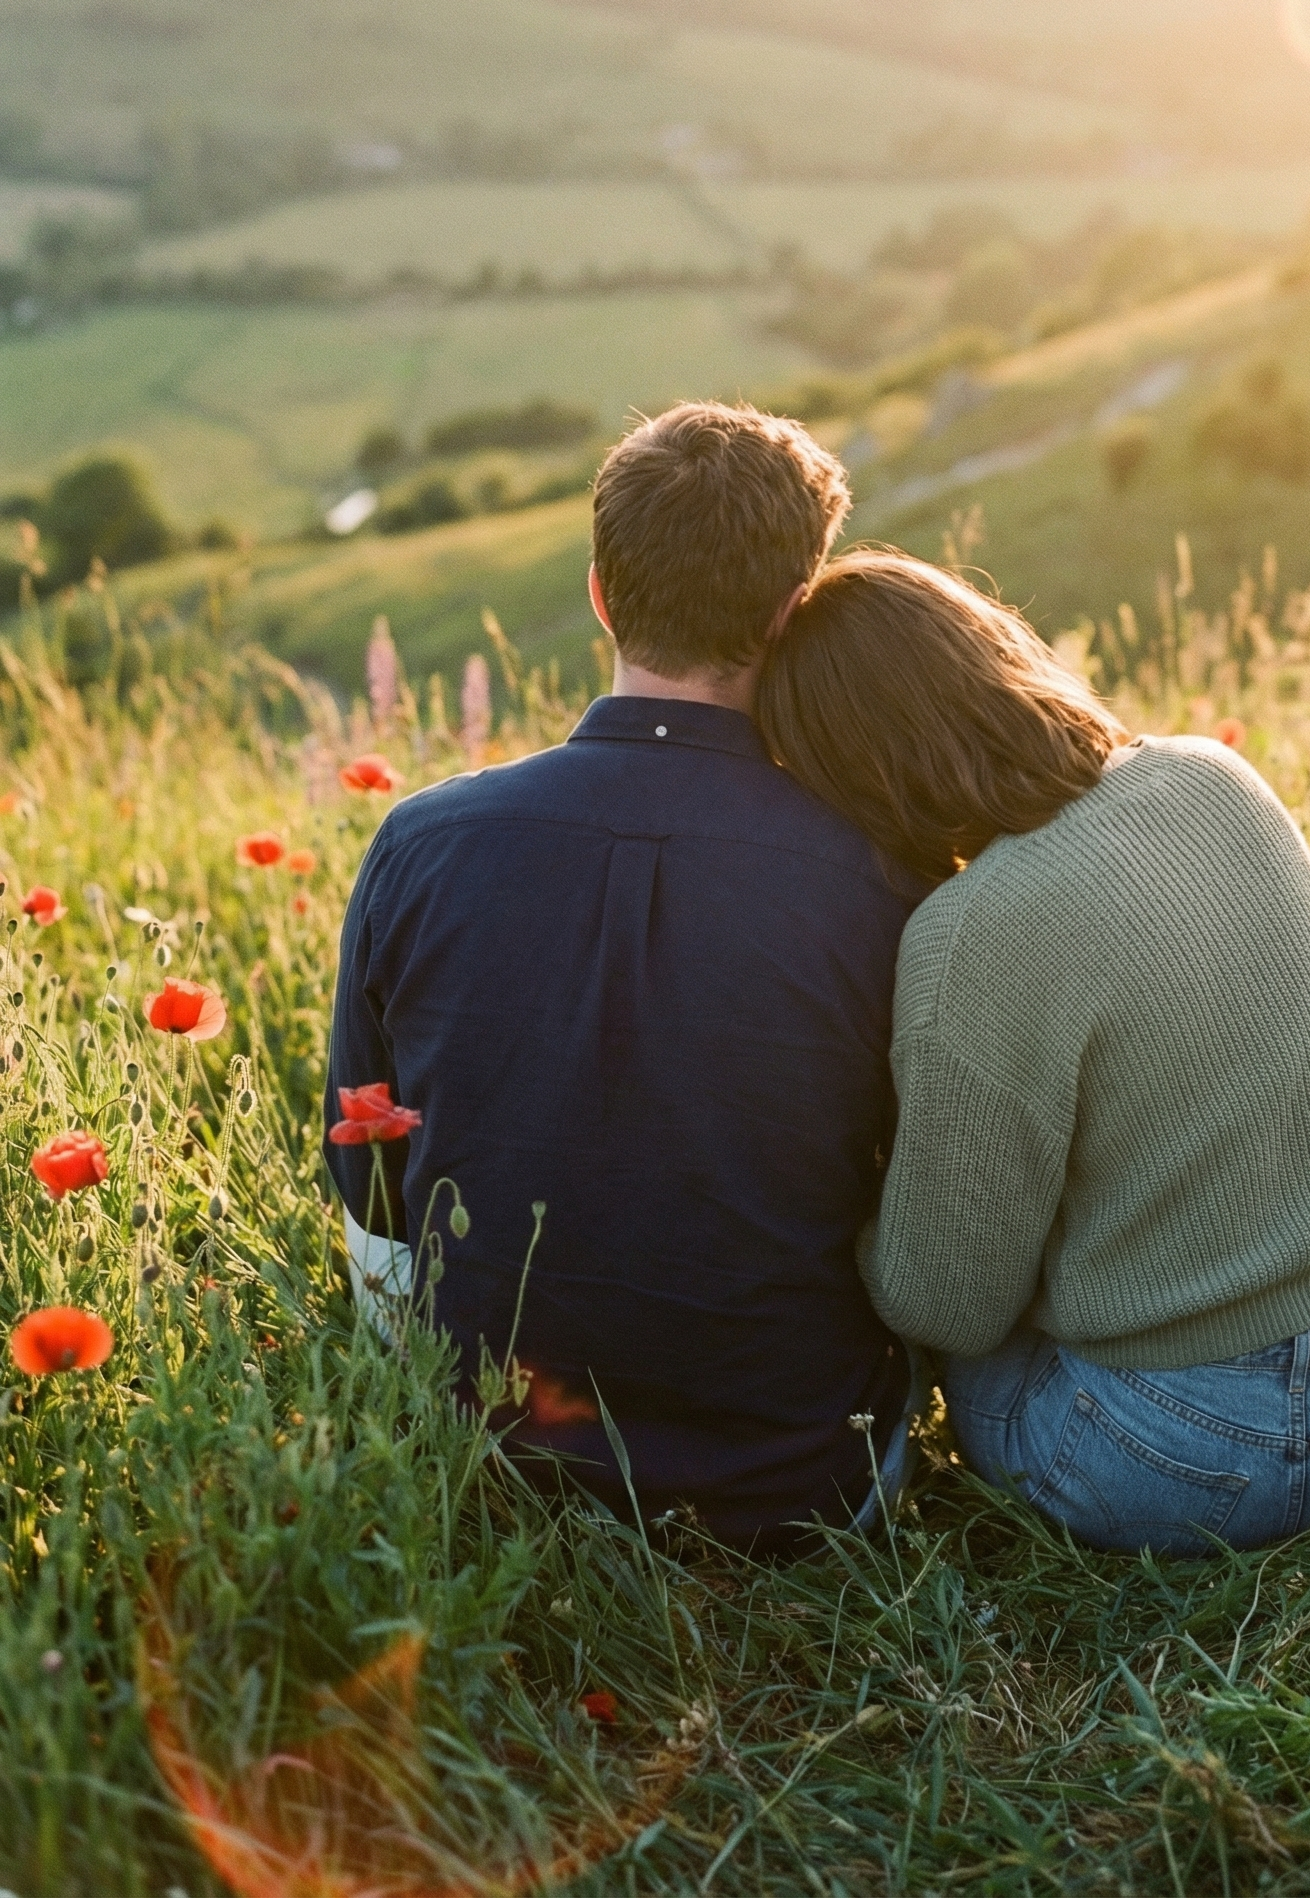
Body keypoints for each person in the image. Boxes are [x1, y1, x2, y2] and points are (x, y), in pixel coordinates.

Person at [756, 549, 1310, 1557]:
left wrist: (857, 1209)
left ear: (853, 773)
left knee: (975, 1315)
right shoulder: (1211, 773)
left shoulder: (966, 933)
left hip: (1167, 1469)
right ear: (993, 653)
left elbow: (947, 1304)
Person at [325, 404, 922, 1551]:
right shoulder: (884, 869)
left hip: (493, 1462)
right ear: (796, 613)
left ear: (600, 592)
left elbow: (372, 1196)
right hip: (803, 1483)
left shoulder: (420, 841)